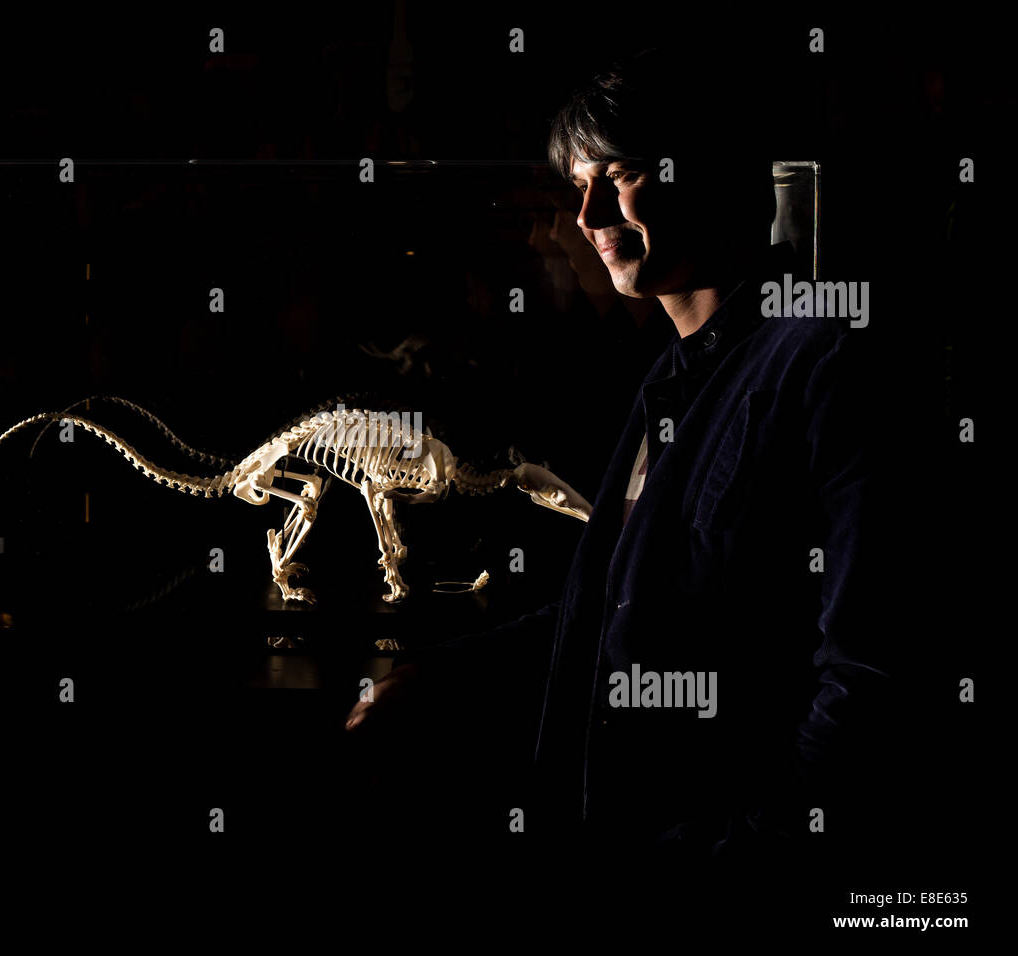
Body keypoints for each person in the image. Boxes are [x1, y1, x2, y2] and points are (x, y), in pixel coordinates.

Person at [344, 46, 897, 871]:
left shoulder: (822, 361)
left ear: (713, 172)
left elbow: (868, 667)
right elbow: (595, 614)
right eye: (577, 186)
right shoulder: (671, 379)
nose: (588, 213)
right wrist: (429, 677)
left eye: (623, 172)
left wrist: (759, 853)